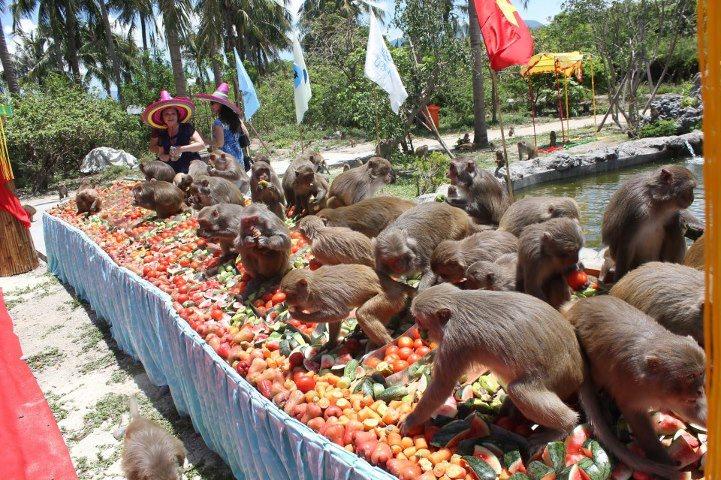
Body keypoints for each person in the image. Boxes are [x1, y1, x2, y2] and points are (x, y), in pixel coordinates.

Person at [141, 91, 205, 174]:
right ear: (162, 118)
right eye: (166, 114)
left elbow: (201, 145)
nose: (170, 116)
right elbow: (161, 153)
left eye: (173, 113)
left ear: (177, 116)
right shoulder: (162, 133)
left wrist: (181, 149)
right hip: (171, 167)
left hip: (190, 165)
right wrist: (164, 157)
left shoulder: (186, 127)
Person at [195, 83, 251, 171]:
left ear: (221, 104)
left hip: (226, 161)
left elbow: (219, 143)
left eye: (213, 103)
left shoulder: (218, 122)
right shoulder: (236, 119)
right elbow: (246, 134)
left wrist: (203, 139)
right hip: (239, 158)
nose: (211, 106)